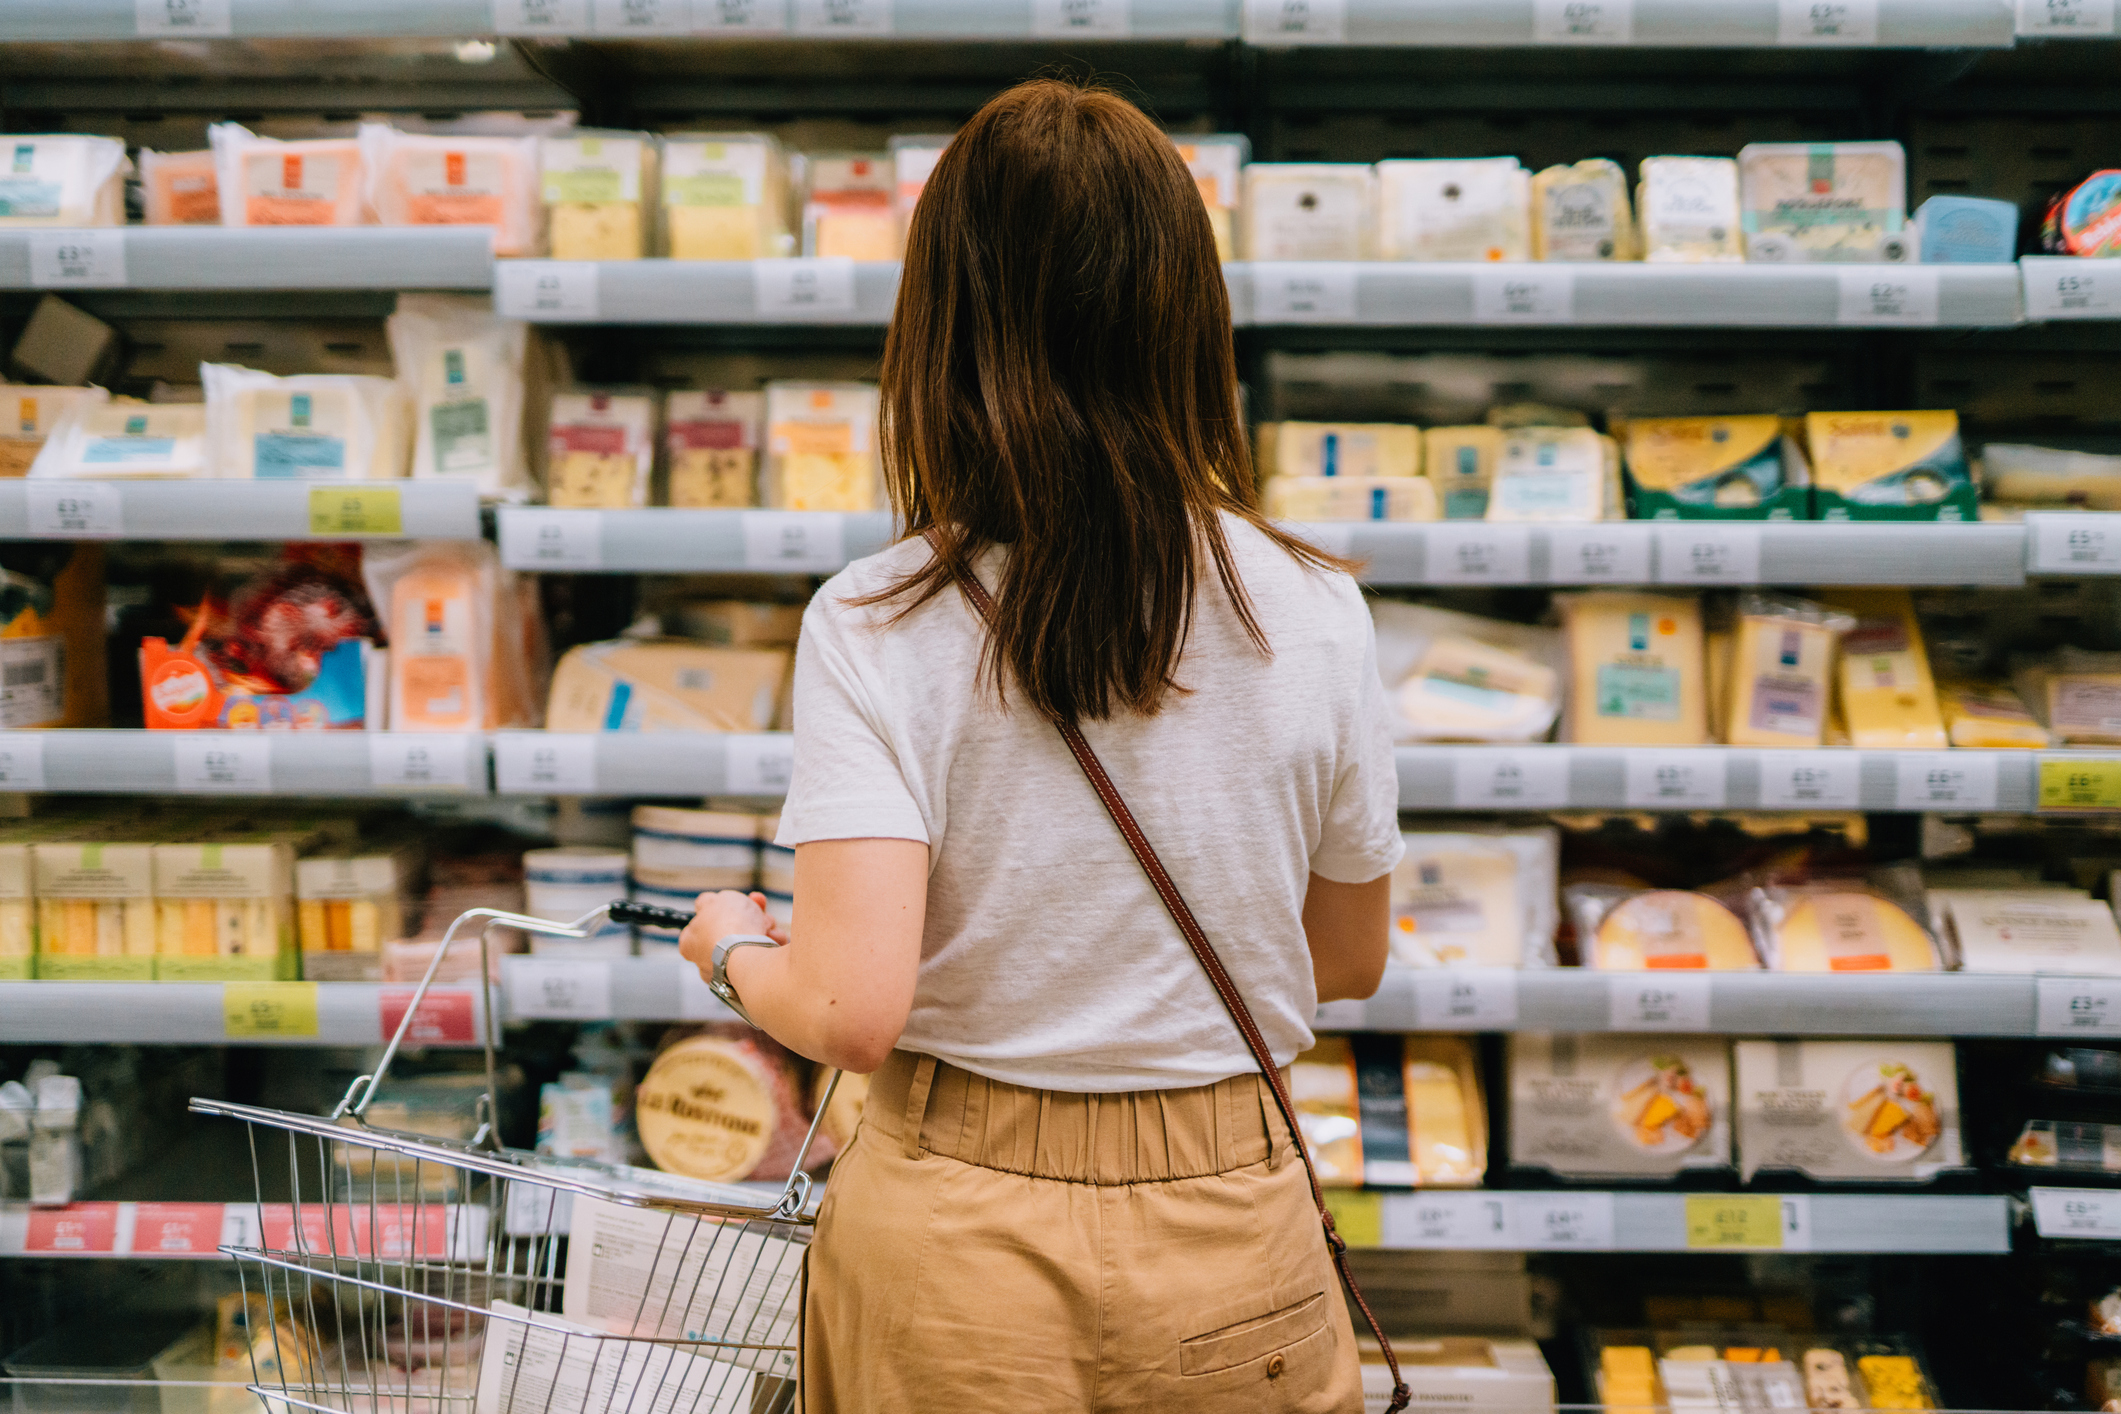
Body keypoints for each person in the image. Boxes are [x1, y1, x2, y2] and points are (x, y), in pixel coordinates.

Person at [678, 77, 1402, 1413]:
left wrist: (726, 938)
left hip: (956, 1239)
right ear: (1184, 311)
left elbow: (848, 1007)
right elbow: (1347, 956)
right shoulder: (1314, 608)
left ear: (941, 320)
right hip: (1228, 1223)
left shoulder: (876, 618)